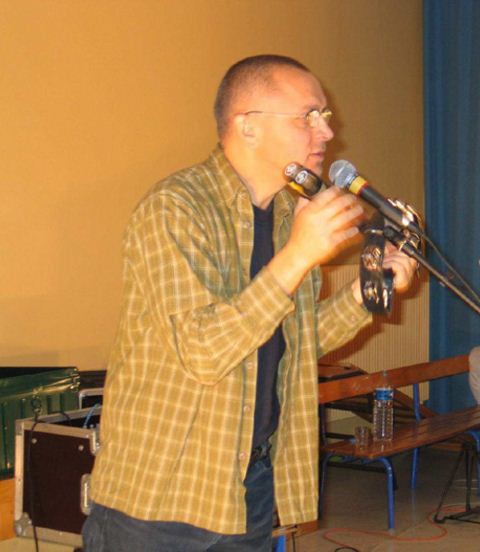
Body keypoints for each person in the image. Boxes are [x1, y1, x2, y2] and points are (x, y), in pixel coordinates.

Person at [83, 54, 417, 551]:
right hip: (160, 495)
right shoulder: (175, 208)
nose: (325, 132)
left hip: (248, 485)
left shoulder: (286, 215)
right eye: (308, 116)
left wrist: (366, 292)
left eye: (324, 116)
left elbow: (297, 339)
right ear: (248, 126)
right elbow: (202, 350)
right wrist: (298, 256)